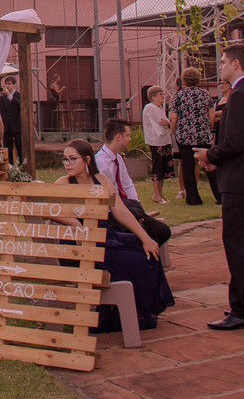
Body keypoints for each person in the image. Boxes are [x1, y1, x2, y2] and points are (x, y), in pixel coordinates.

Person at [57, 138, 174, 332]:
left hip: (107, 235)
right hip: (83, 245)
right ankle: (123, 314)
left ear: (87, 160)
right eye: (65, 159)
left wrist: (146, 238)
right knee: (134, 261)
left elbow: (120, 211)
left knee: (147, 249)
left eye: (72, 159)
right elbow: (47, 209)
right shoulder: (63, 184)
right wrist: (75, 222)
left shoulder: (101, 180)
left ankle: (145, 309)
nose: (67, 164)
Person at [197, 44, 244, 330]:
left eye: (224, 62)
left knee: (239, 244)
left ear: (237, 64)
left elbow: (235, 141)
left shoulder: (241, 95)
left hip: (241, 182)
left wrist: (209, 155)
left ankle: (242, 309)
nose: (220, 66)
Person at [95, 118, 172, 246]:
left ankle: (145, 255)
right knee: (141, 236)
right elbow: (106, 199)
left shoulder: (118, 158)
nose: (130, 139)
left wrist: (137, 208)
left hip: (128, 208)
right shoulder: (100, 162)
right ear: (118, 137)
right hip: (112, 213)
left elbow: (127, 184)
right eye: (128, 135)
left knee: (162, 231)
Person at [169, 67, 216, 205]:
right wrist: (208, 128)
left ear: (183, 80)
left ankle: (193, 198)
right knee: (209, 164)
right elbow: (211, 115)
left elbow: (173, 118)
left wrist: (174, 132)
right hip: (203, 134)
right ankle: (219, 194)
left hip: (185, 136)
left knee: (188, 166)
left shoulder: (178, 96)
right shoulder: (205, 94)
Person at [141, 86, 173, 204]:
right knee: (158, 167)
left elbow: (166, 122)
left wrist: (168, 124)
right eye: (160, 94)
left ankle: (160, 193)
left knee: (164, 167)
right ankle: (156, 194)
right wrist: (168, 124)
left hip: (165, 140)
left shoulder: (159, 108)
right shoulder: (150, 108)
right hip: (156, 141)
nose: (163, 97)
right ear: (153, 96)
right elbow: (160, 124)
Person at [0, 74, 22, 164]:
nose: (7, 86)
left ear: (14, 85)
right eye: (6, 84)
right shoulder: (2, 97)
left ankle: (22, 166)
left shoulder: (18, 95)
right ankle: (10, 166)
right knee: (8, 149)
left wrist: (9, 96)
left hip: (17, 127)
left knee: (20, 148)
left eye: (9, 83)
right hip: (7, 127)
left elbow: (20, 105)